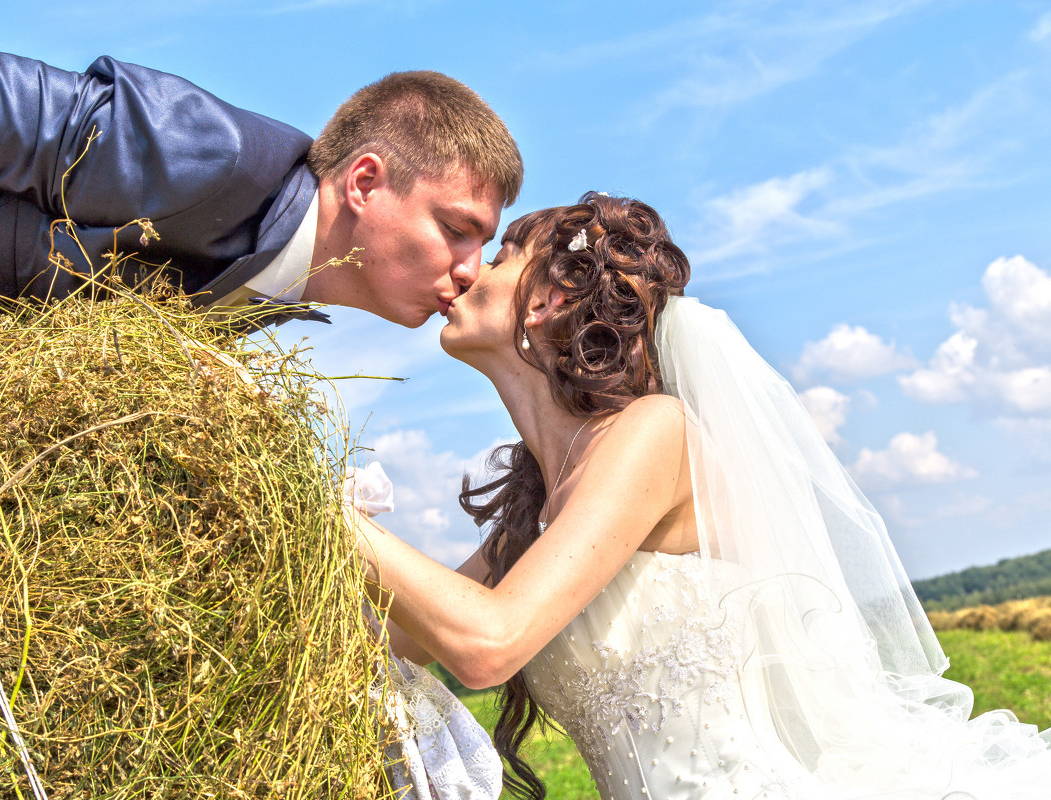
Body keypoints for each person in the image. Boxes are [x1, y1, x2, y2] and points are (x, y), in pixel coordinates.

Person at [348, 193, 1051, 800]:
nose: (466, 272)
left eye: (498, 256)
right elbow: (384, 638)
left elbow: (487, 643)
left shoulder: (652, 432)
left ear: (549, 300)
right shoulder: (532, 518)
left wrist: (332, 519)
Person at [0, 46, 522, 386]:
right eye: (457, 230)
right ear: (366, 182)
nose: (471, 270)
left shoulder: (275, 291)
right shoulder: (210, 155)